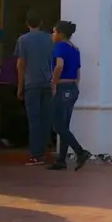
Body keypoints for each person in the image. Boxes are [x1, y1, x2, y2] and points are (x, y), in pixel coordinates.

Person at [48, 19, 92, 172]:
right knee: (64, 125)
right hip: (72, 88)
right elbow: (78, 71)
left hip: (62, 87)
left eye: (54, 32)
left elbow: (59, 65)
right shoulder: (75, 49)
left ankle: (80, 152)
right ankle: (61, 160)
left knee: (58, 125)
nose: (52, 35)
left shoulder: (60, 47)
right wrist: (75, 86)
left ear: (60, 34)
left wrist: (54, 82)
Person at [15, 9, 54, 166]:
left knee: (34, 119)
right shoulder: (50, 39)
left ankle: (36, 154)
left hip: (31, 83)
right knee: (46, 118)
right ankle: (44, 149)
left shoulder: (22, 40)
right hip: (47, 82)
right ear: (42, 23)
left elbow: (21, 64)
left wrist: (19, 86)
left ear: (27, 23)